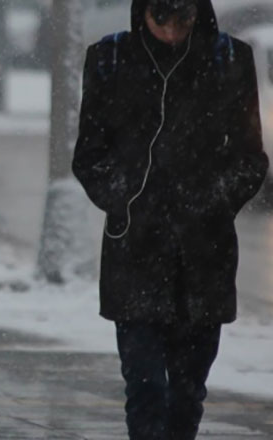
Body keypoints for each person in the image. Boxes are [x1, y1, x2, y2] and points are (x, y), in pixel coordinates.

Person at [72, 0, 268, 438]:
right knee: (144, 386)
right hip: (136, 253)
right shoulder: (111, 60)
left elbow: (250, 157)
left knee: (187, 391)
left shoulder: (230, 59)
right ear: (142, 15)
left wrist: (214, 202)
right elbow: (90, 155)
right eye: (161, 19)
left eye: (183, 20)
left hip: (205, 255)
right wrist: (126, 199)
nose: (172, 31)